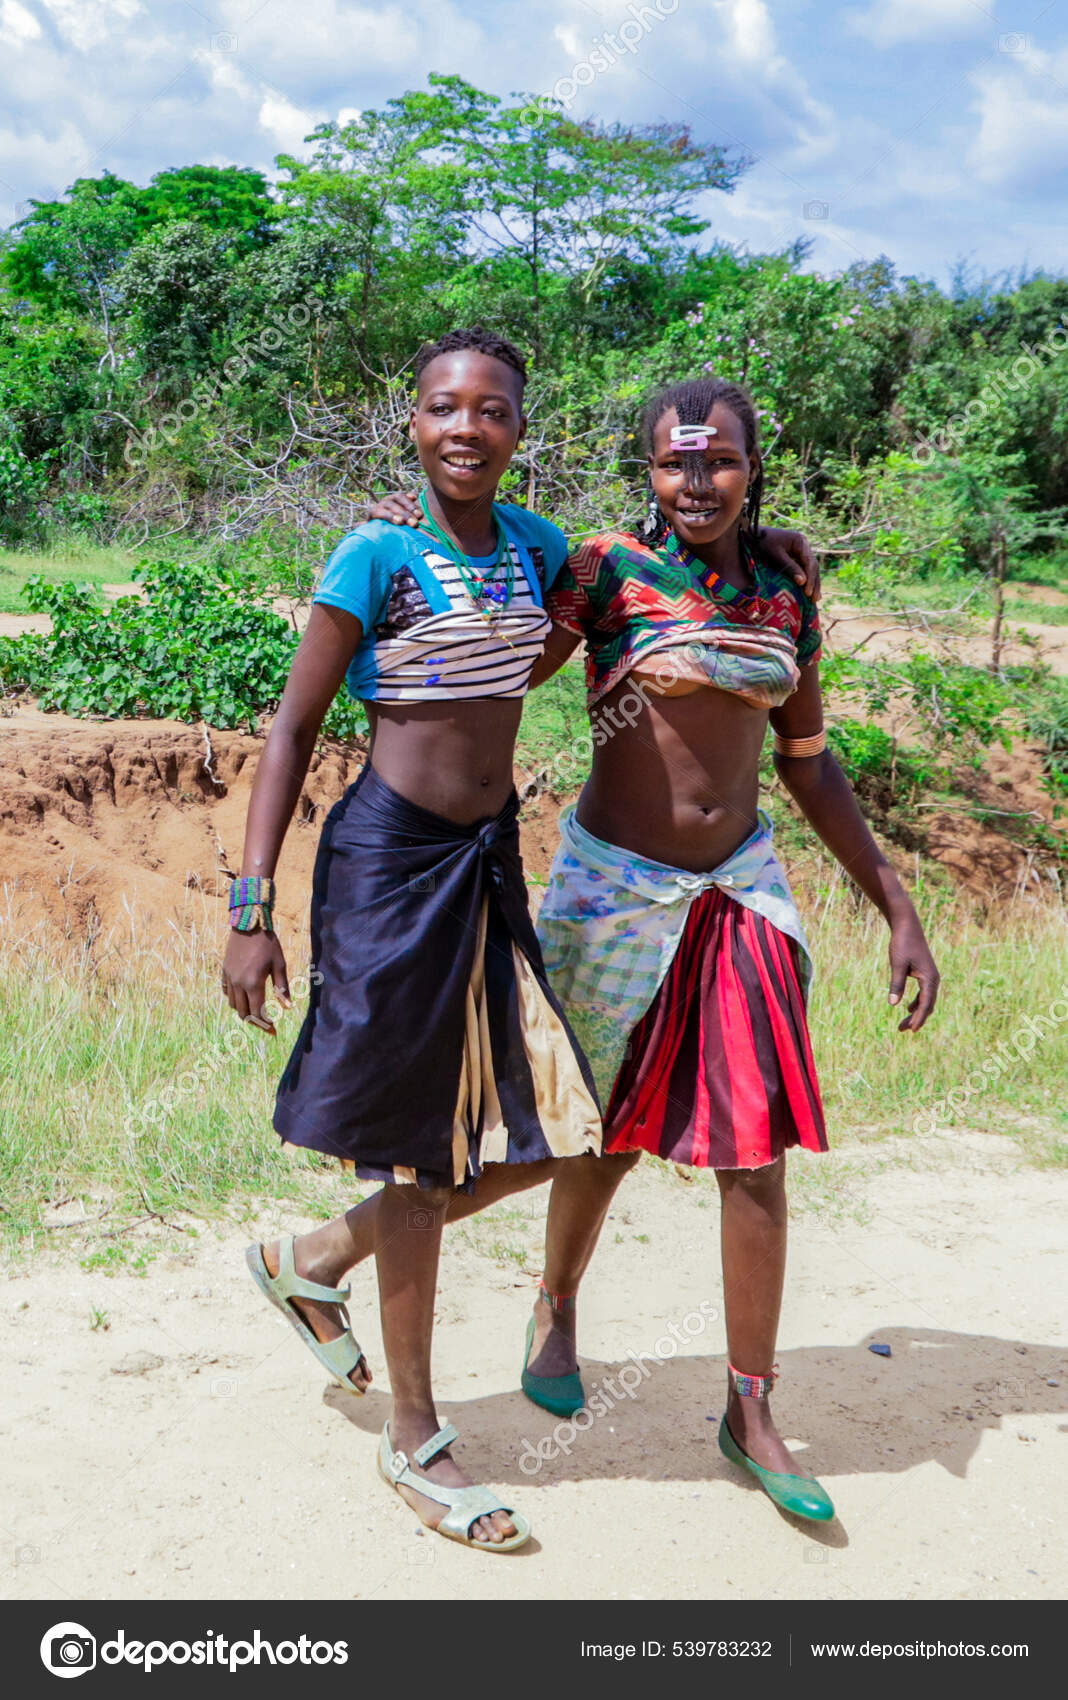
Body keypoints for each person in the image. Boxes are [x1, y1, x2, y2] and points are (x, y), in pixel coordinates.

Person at [370, 374, 940, 1523]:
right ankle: (551, 1300)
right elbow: (494, 680)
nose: (696, 482)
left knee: (757, 1150)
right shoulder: (604, 570)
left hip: (741, 891)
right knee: (590, 1132)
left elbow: (808, 757)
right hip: (611, 886)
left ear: (750, 465)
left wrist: (894, 900)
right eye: (675, 463)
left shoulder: (788, 581)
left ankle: (751, 1404)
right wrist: (403, 836)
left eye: (718, 461)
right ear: (649, 470)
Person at [224, 327, 605, 1552]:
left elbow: (575, 621)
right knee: (414, 1154)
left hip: (487, 861)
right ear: (413, 421)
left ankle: (309, 1257)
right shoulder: (375, 549)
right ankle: (417, 1435)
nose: (466, 427)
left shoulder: (541, 548)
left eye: (491, 409)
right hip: (386, 866)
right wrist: (250, 905)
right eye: (444, 406)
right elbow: (290, 729)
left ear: (519, 430)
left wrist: (774, 553)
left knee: (558, 1128)